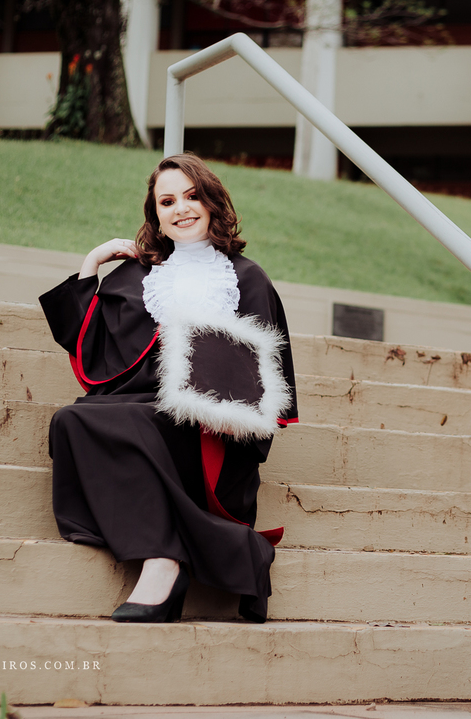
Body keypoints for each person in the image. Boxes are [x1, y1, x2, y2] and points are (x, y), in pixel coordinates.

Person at [39, 153, 298, 624]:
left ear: (212, 202)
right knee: (72, 419)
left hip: (213, 432)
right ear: (156, 215)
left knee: (126, 425)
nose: (181, 208)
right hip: (142, 412)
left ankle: (163, 565)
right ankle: (213, 552)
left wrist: (216, 411)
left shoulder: (245, 278)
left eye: (191, 196)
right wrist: (92, 262)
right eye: (167, 200)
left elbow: (263, 386)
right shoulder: (139, 278)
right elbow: (92, 354)